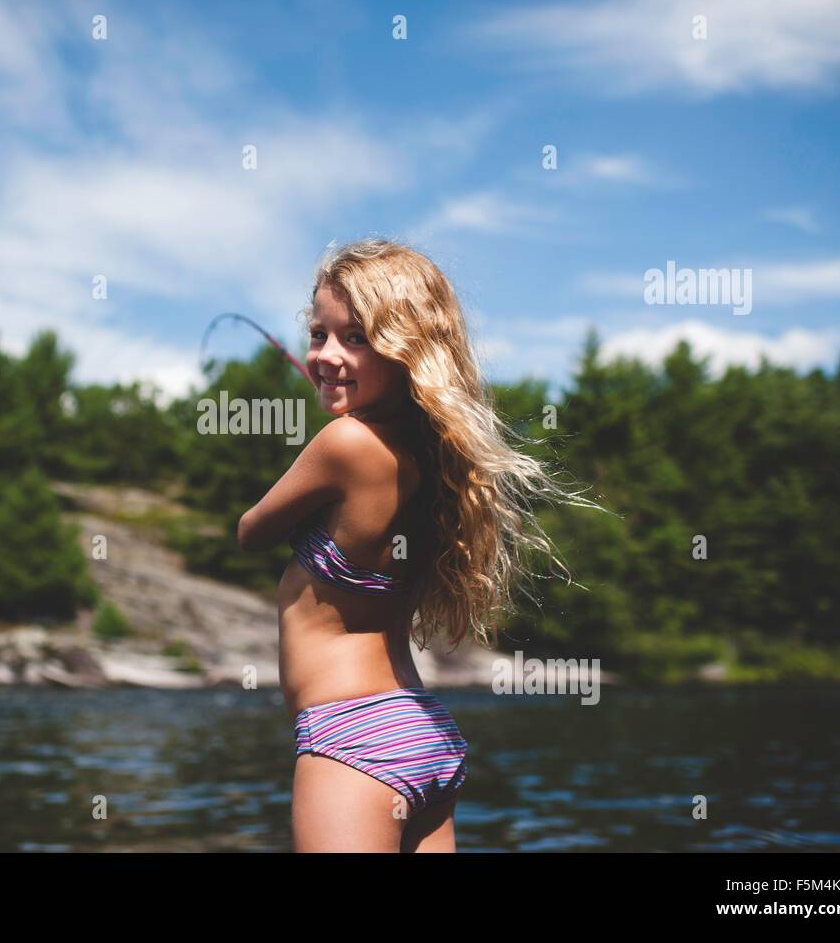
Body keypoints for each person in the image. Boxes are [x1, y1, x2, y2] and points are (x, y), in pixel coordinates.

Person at [238, 238, 598, 852]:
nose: (326, 355)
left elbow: (250, 532)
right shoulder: (438, 457)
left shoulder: (343, 444)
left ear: (405, 349)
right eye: (319, 335)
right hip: (419, 733)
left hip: (352, 738)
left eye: (355, 339)